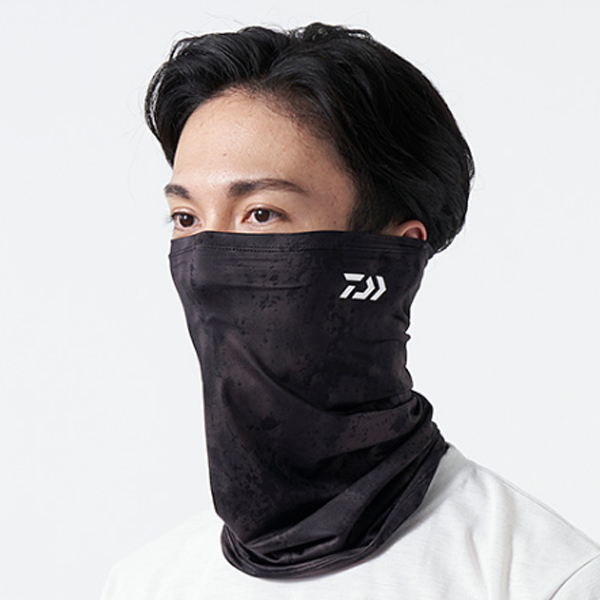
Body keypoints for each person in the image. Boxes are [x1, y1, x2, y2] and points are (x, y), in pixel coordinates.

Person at [101, 23, 600, 598]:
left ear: (389, 259)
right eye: (186, 219)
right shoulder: (145, 582)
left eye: (261, 213)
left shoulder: (537, 578)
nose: (207, 264)